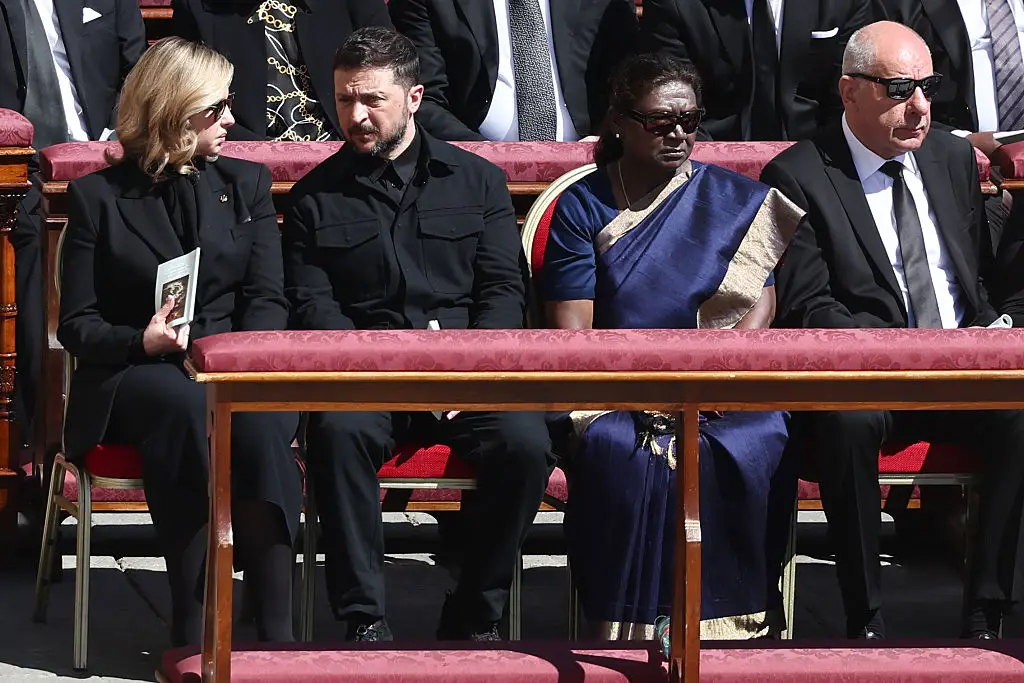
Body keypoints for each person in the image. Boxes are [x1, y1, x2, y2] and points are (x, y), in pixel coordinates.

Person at [283, 26, 552, 642]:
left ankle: (476, 610)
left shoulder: (477, 181)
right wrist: (380, 368)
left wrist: (473, 368)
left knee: (526, 442)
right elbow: (314, 306)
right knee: (338, 431)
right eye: (345, 99)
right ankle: (363, 619)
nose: (356, 115)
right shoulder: (313, 199)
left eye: (372, 99)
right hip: (370, 376)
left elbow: (502, 293)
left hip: (467, 373)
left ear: (413, 97)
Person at [762, 21, 1024, 639]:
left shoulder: (953, 157)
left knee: (1020, 410)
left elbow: (973, 278)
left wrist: (994, 327)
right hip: (868, 373)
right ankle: (865, 616)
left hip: (961, 366)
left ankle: (989, 606)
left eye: (928, 88)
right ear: (850, 92)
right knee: (846, 423)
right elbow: (810, 307)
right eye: (900, 89)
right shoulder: (798, 175)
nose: (922, 107)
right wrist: (899, 353)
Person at [540, 52, 803, 640]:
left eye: (691, 120)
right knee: (624, 449)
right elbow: (573, 334)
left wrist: (712, 377)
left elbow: (759, 302)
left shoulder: (733, 200)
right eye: (660, 122)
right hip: (611, 391)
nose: (679, 134)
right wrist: (647, 393)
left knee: (761, 435)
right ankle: (629, 624)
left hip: (717, 384)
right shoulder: (582, 207)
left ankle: (739, 622)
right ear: (619, 121)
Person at [57, 37, 301, 647]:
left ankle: (275, 628)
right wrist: (142, 340)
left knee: (260, 424)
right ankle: (196, 621)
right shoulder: (99, 198)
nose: (231, 119)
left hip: (232, 364)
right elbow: (77, 325)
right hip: (135, 371)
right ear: (172, 111)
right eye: (215, 107)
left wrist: (236, 358)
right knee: (186, 408)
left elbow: (269, 297)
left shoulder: (246, 183)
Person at [2, 0, 145, 451]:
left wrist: (124, 133)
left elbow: (140, 73)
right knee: (30, 251)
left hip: (110, 159)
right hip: (19, 177)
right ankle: (42, 438)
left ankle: (136, 420)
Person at [387, 0, 637, 141]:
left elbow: (632, 83)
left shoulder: (606, 4)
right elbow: (423, 99)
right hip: (472, 171)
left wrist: (604, 139)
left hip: (593, 167)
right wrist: (487, 155)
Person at [640, 0, 878, 141]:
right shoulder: (674, 4)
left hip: (814, 153)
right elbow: (675, 102)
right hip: (711, 154)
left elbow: (848, 99)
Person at [171, 0, 393, 141]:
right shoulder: (198, 6)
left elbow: (390, 71)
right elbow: (189, 98)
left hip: (347, 145)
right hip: (239, 157)